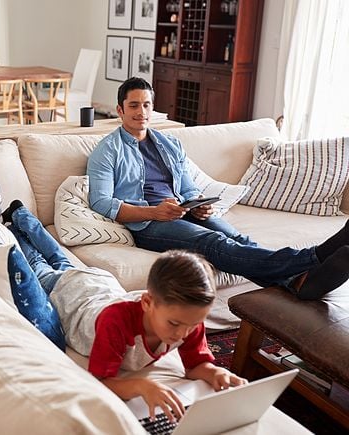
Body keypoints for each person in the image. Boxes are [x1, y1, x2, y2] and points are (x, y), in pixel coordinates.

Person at [86, 77, 349, 300]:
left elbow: (187, 187)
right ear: (120, 110)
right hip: (148, 224)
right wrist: (154, 213)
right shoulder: (107, 150)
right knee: (213, 242)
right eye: (133, 106)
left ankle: (296, 283)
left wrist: (198, 204)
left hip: (181, 211)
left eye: (146, 105)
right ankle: (314, 256)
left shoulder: (169, 143)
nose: (141, 112)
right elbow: (102, 202)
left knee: (241, 240)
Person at [1, 200, 246, 422]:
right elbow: (102, 380)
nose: (182, 335)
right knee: (41, 265)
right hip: (73, 296)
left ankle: (21, 216)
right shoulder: (116, 321)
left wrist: (215, 372)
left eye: (191, 325)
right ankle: (16, 221)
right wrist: (142, 386)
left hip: (101, 286)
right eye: (174, 325)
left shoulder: (187, 318)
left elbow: (195, 365)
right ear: (148, 303)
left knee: (60, 259)